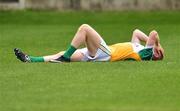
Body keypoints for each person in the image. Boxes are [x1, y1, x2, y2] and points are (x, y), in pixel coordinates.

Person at [14, 24, 164, 63]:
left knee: (85, 28)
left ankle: (65, 58)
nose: (157, 51)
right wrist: (152, 44)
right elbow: (137, 32)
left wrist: (157, 44)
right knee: (60, 53)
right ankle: (30, 59)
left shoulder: (147, 53)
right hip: (100, 54)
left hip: (106, 53)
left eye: (158, 53)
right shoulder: (140, 48)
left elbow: (153, 33)